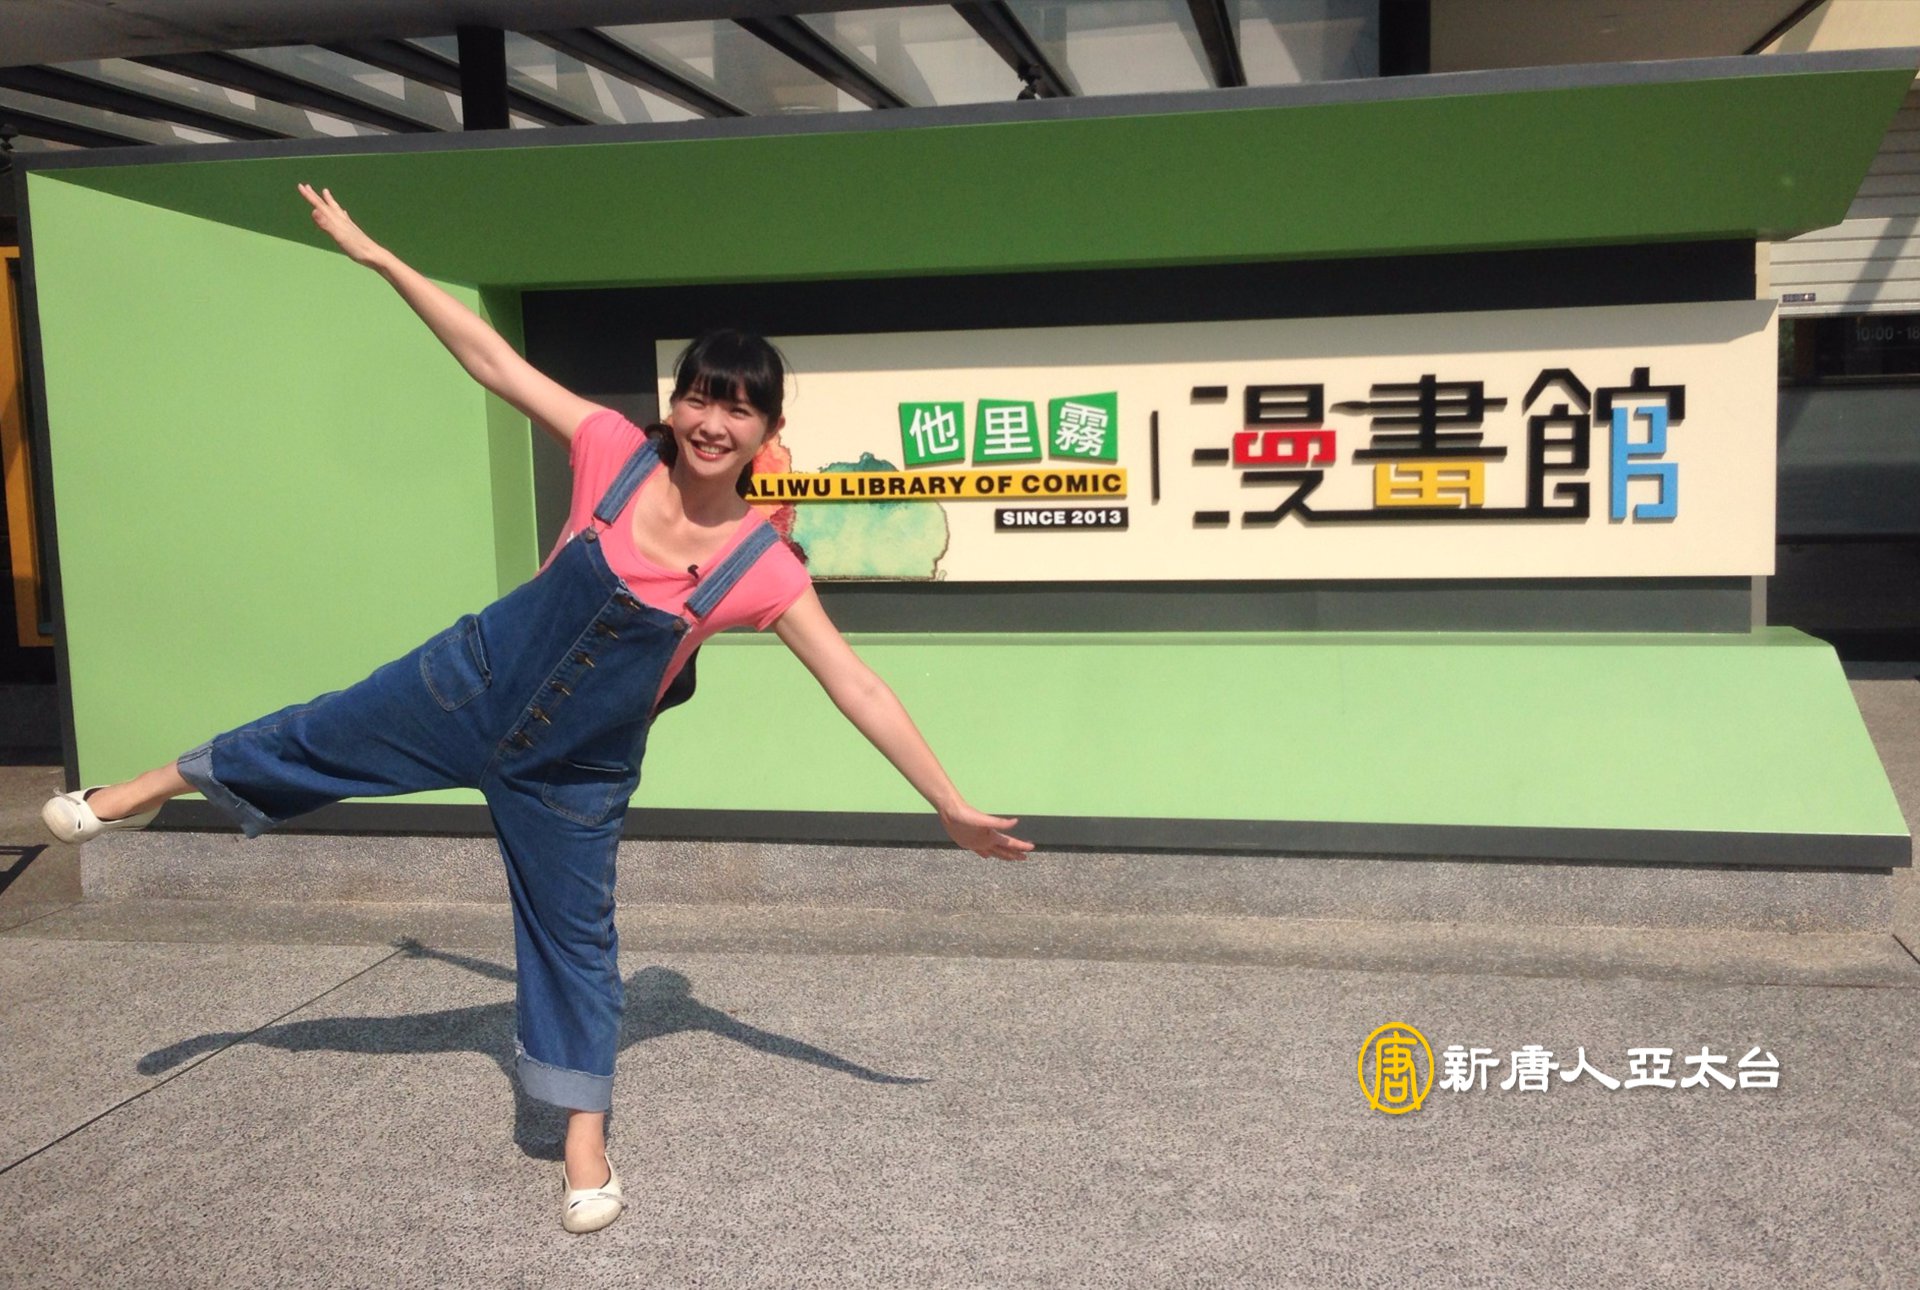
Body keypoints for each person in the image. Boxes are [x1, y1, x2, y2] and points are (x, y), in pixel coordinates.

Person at [42, 184, 1036, 1235]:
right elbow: (492, 360)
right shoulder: (610, 449)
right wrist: (380, 258)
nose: (713, 422)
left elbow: (856, 684)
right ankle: (141, 790)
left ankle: (583, 1144)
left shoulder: (763, 566)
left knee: (577, 949)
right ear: (677, 404)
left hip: (575, 773)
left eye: (739, 408)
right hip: (468, 687)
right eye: (701, 398)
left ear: (768, 430)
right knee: (317, 733)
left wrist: (947, 804)